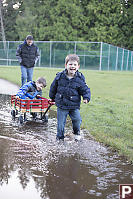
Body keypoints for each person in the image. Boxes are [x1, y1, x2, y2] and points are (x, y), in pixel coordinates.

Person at [49, 54, 91, 141]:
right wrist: (52, 98)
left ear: (78, 66)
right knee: (60, 124)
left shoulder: (80, 78)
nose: (72, 66)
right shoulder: (60, 76)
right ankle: (60, 139)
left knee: (77, 120)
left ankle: (76, 133)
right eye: (70, 64)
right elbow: (53, 87)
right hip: (62, 105)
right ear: (66, 65)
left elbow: (85, 89)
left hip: (74, 106)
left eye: (75, 65)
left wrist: (86, 97)